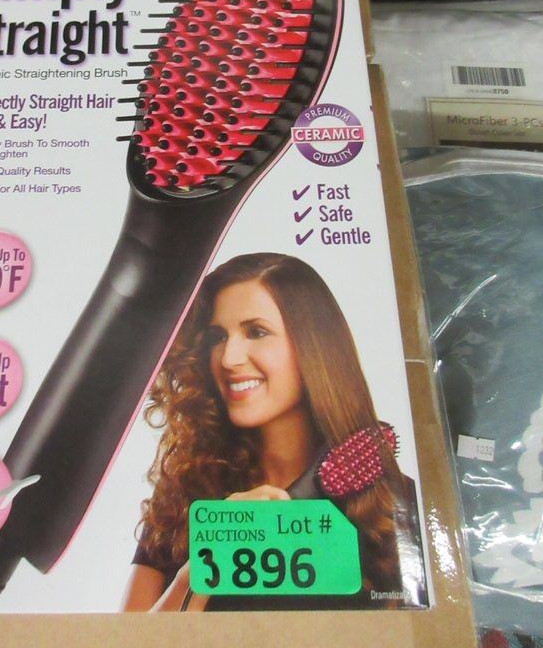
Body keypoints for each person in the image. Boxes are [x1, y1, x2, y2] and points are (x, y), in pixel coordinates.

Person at [122, 253, 426, 612]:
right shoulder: (186, 489)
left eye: (257, 332)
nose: (229, 358)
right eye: (218, 337)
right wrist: (203, 567)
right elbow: (130, 635)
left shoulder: (390, 503)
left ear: (312, 347)